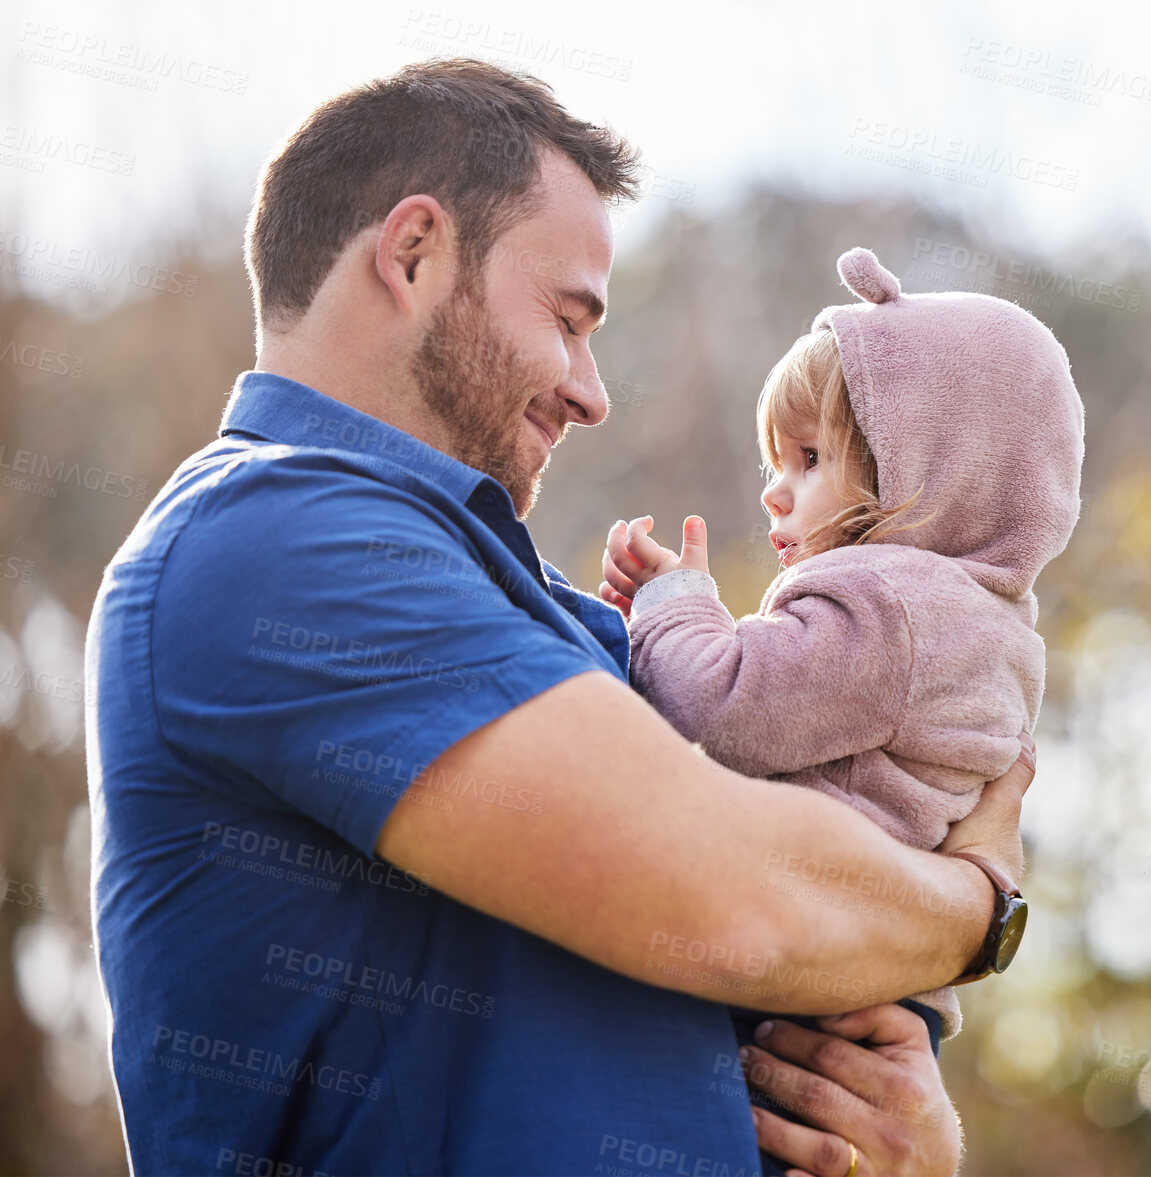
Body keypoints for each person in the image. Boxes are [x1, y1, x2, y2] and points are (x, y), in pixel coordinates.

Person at [85, 59, 1032, 1176]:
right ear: (413, 252)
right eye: (568, 320)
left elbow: (782, 962)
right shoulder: (272, 537)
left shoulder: (545, 617)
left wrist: (892, 1142)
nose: (592, 389)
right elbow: (737, 895)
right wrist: (981, 909)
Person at [600, 245, 1082, 1086]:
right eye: (772, 462)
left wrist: (677, 605)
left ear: (937, 468)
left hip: (805, 988)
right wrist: (644, 624)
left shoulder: (890, 607)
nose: (774, 492)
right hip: (889, 984)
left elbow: (726, 707)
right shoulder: (991, 626)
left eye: (811, 459)